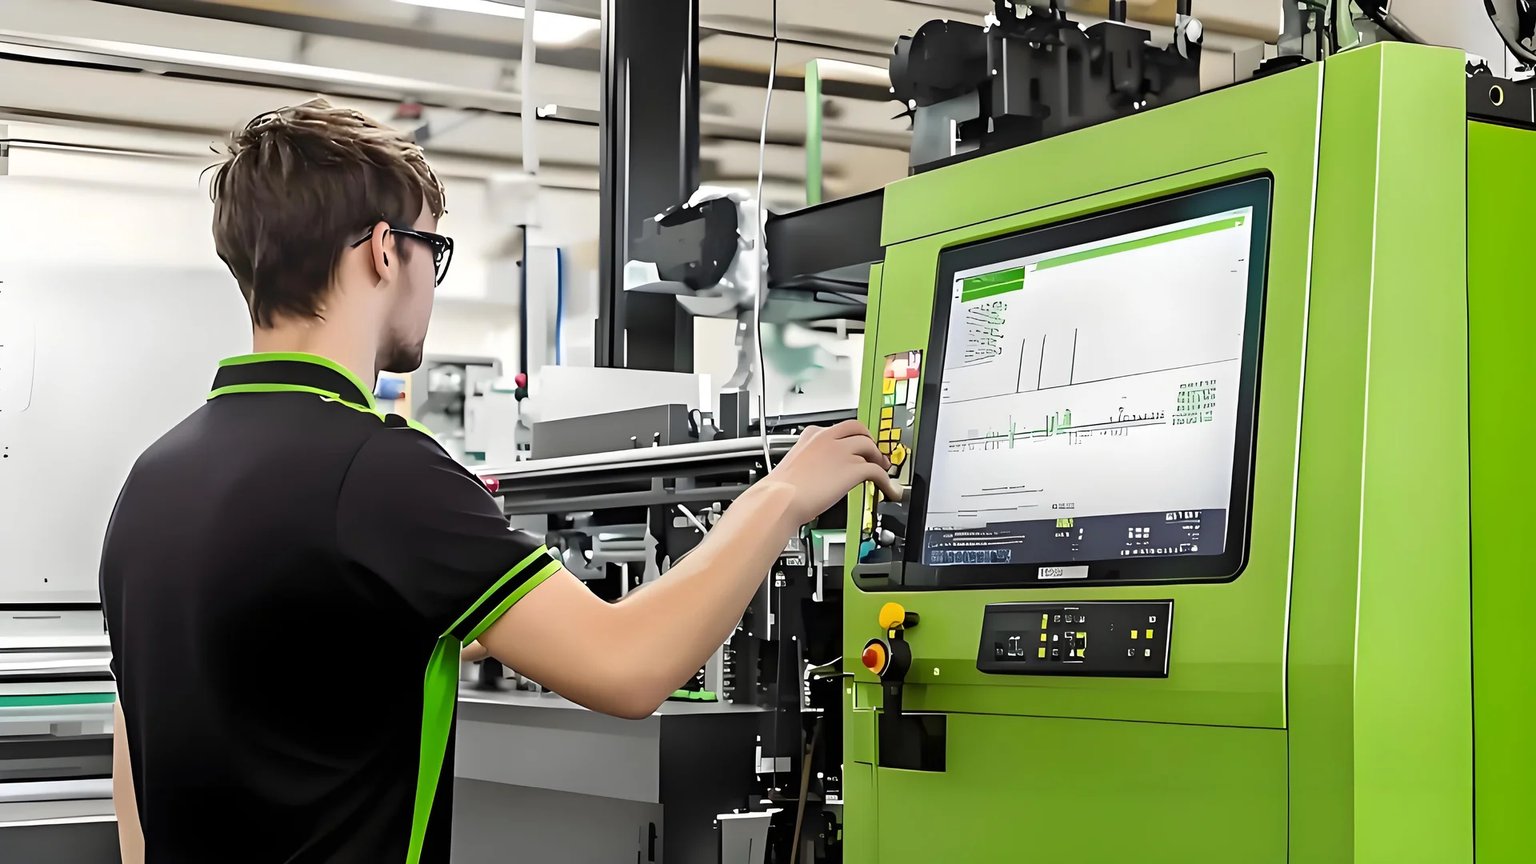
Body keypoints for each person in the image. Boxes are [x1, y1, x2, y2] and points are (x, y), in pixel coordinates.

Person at [99, 98, 898, 864]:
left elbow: (138, 743)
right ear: (385, 250)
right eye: (433, 252)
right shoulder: (380, 469)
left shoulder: (155, 478)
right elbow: (628, 669)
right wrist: (782, 495)